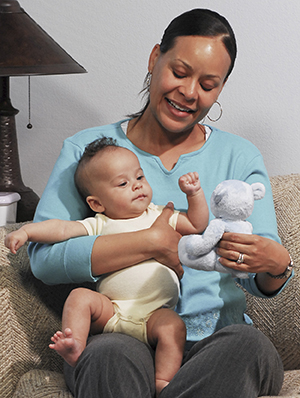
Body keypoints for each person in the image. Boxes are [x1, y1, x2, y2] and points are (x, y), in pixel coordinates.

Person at [27, 8, 292, 398]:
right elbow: (44, 260)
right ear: (155, 58)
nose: (189, 92)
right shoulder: (87, 151)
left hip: (218, 342)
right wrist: (149, 242)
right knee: (108, 357)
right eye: (180, 72)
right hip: (124, 334)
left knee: (249, 347)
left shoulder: (240, 156)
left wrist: (276, 265)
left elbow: (260, 276)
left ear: (220, 89)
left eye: (208, 84)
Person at [5, 137, 208, 395]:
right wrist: (28, 231)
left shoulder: (160, 215)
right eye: (123, 183)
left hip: (155, 314)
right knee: (79, 297)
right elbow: (62, 228)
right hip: (112, 310)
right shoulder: (99, 223)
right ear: (97, 204)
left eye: (140, 178)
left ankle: (163, 382)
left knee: (175, 327)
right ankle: (75, 345)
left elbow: (197, 225)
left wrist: (194, 195)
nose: (136, 187)